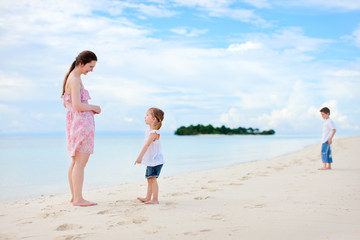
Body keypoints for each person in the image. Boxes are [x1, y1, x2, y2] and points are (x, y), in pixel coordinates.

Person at [61, 50, 101, 206]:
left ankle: (74, 196)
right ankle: (78, 198)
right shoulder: (75, 78)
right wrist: (94, 107)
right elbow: (77, 105)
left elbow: (68, 104)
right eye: (90, 66)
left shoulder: (71, 77)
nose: (91, 70)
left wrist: (88, 109)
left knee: (76, 162)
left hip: (76, 123)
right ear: (81, 63)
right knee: (80, 163)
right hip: (81, 125)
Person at [135, 107, 165, 204]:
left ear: (154, 119)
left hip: (155, 161)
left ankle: (155, 199)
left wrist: (140, 157)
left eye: (147, 115)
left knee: (153, 179)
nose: (145, 117)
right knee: (149, 179)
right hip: (151, 161)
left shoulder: (154, 133)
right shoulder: (149, 131)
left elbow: (147, 145)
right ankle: (148, 198)